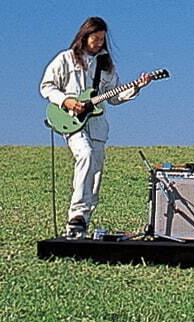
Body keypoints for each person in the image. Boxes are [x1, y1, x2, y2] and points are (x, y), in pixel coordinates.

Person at [39, 17, 151, 238]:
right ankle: (76, 214)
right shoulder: (66, 58)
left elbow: (115, 97)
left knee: (96, 174)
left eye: (102, 39)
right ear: (85, 36)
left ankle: (81, 225)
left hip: (98, 125)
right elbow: (47, 86)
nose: (99, 43)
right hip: (71, 121)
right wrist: (66, 101)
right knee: (86, 155)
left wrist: (137, 87)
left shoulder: (106, 65)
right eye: (95, 38)